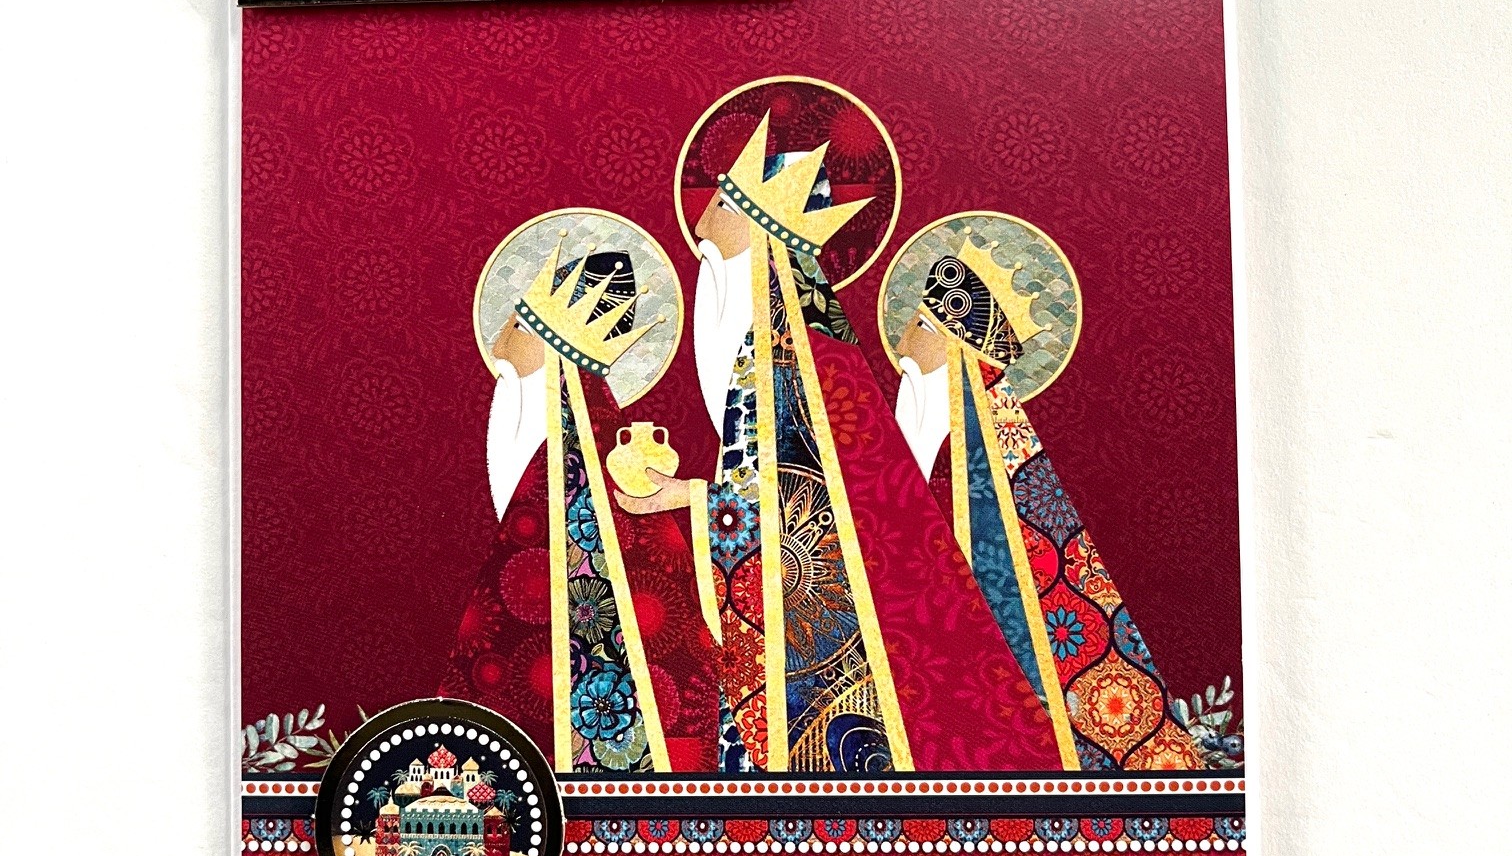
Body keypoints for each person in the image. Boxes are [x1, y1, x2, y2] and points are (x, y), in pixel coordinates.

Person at [616, 113, 1064, 777]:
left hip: (829, 638)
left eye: (721, 208)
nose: (702, 227)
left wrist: (693, 500)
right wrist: (695, 497)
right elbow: (788, 490)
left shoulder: (794, 358)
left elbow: (813, 511)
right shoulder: (771, 351)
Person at [893, 237, 1202, 771]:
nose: (902, 344)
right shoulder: (925, 434)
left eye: (922, 327)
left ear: (959, 349)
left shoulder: (996, 466)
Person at [439, 239, 720, 774]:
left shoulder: (594, 458)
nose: (498, 346)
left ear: (552, 347)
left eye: (518, 328)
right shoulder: (542, 452)